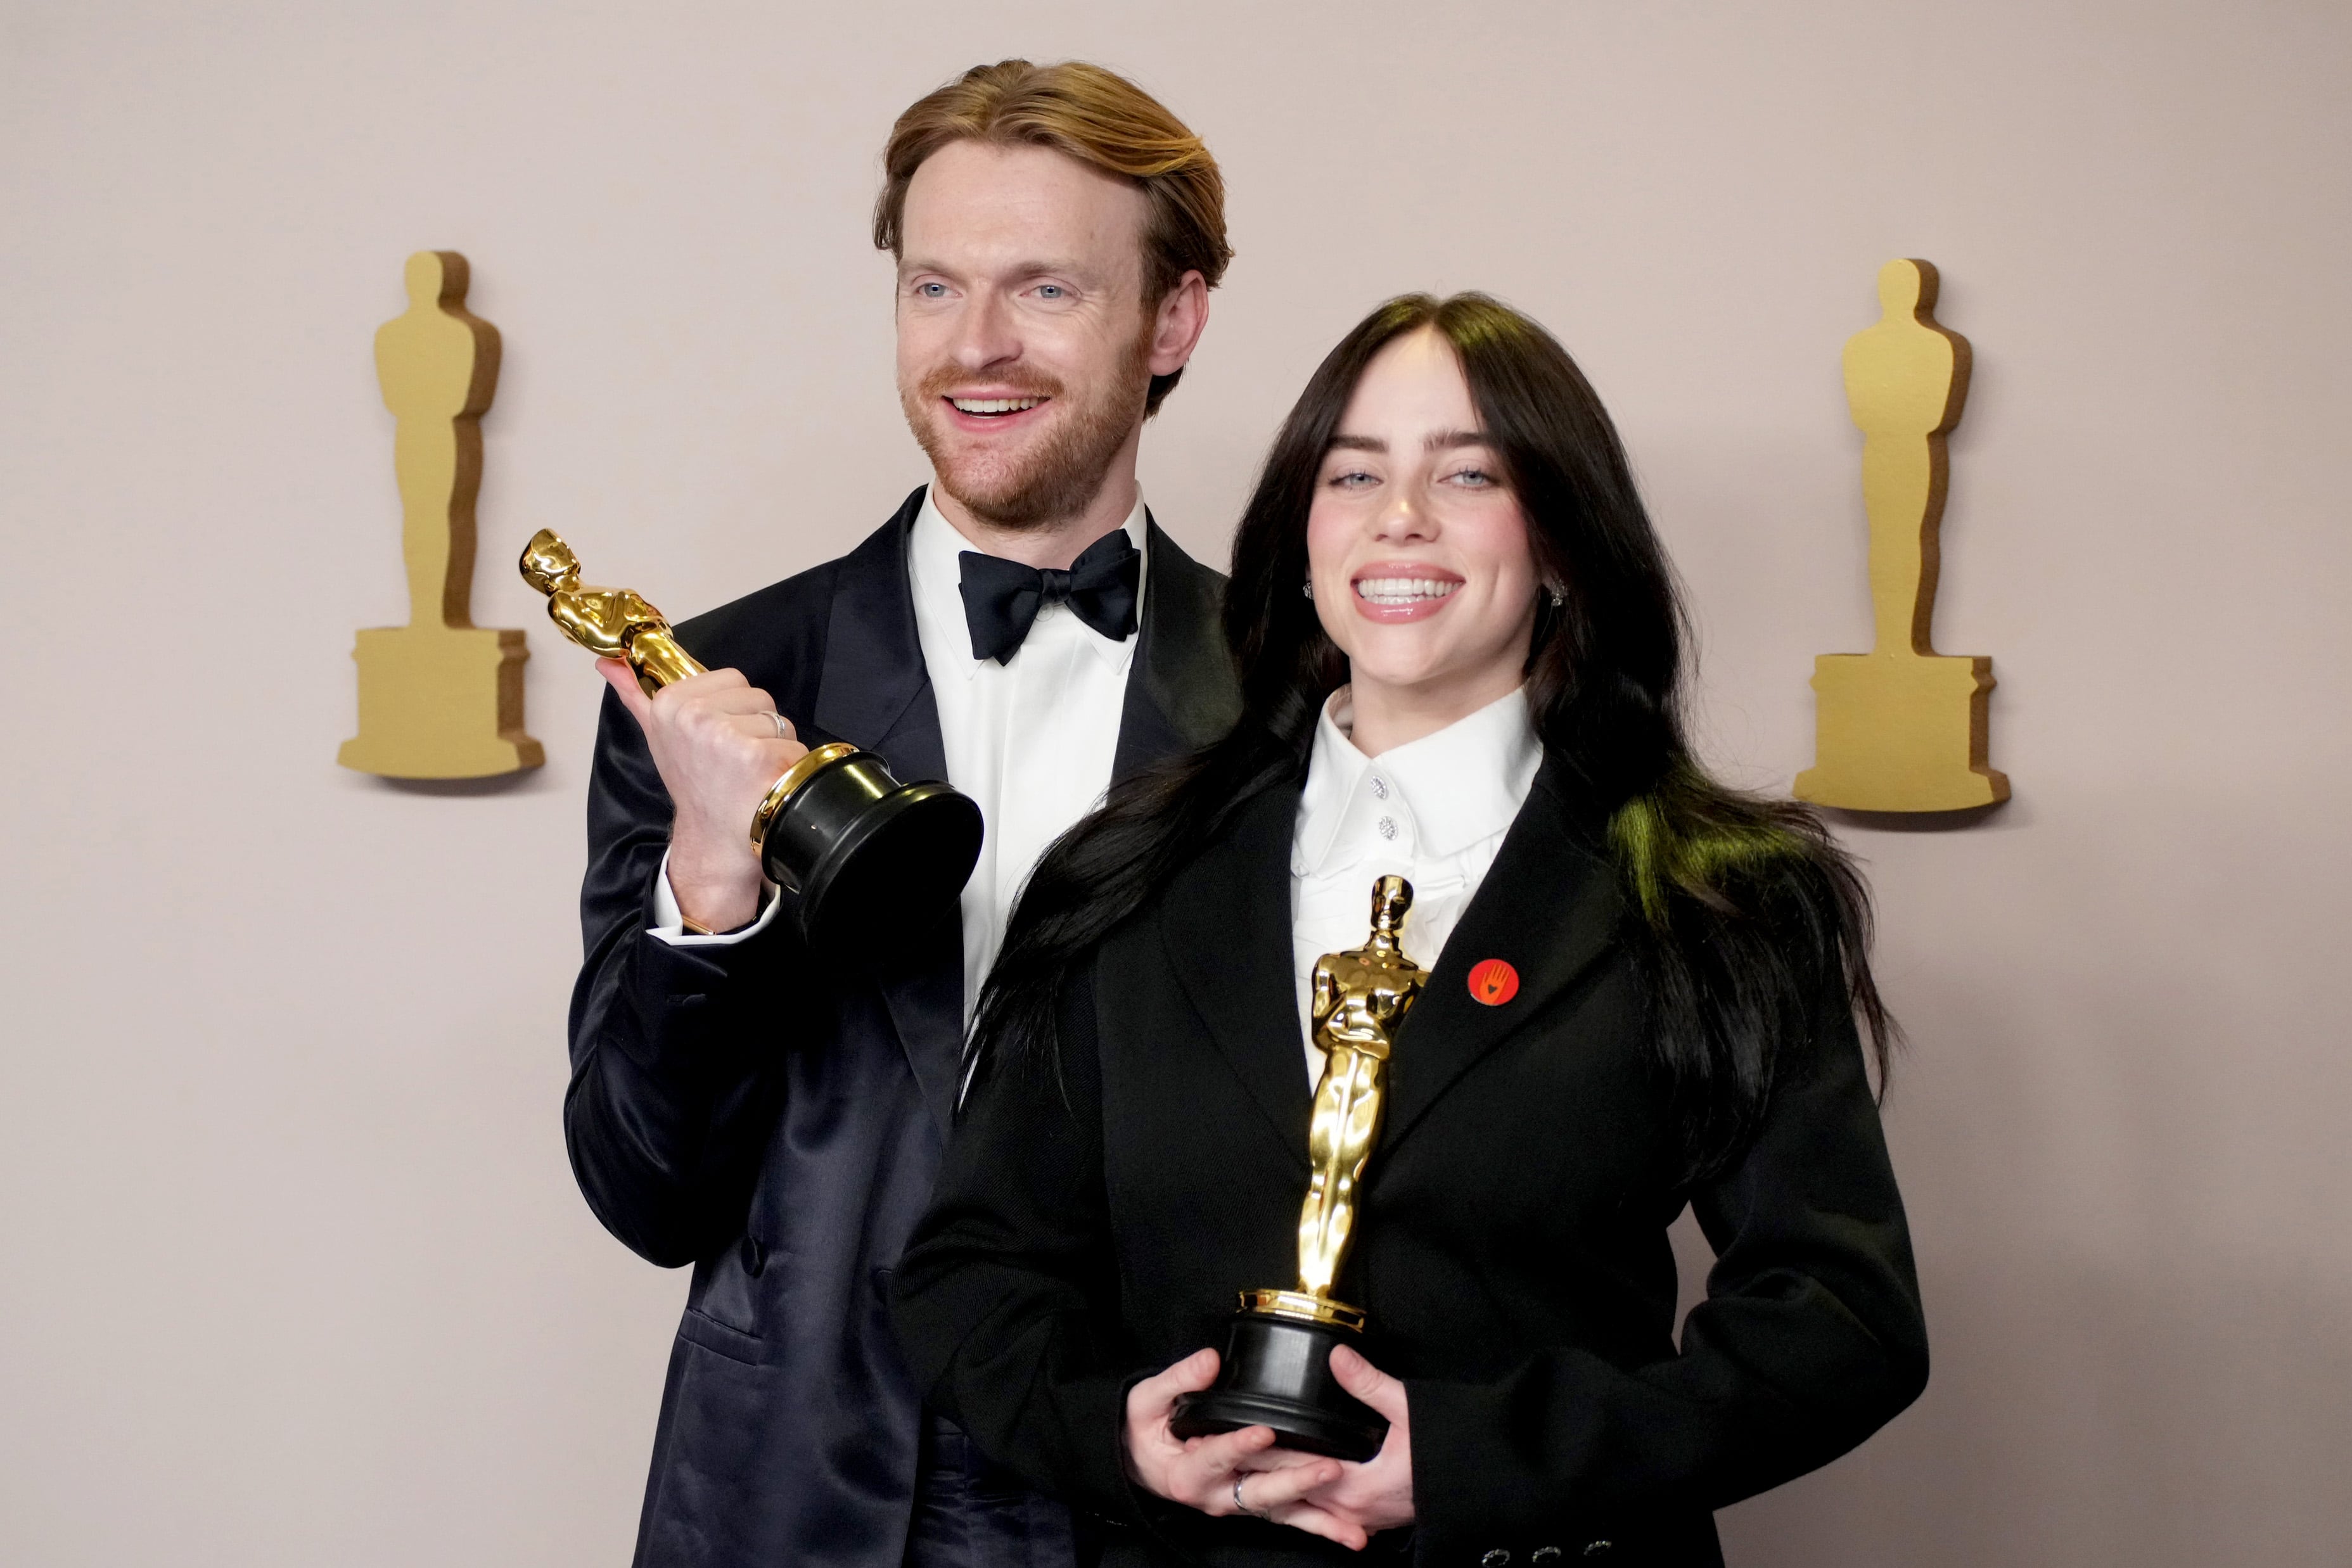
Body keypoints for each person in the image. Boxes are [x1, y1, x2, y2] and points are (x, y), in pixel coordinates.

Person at [892, 293, 1929, 1566]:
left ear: (1561, 542)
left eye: (1468, 473)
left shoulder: (1721, 896)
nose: (1400, 516)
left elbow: (1839, 1318)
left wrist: (1481, 1459)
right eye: (1354, 474)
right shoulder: (1128, 872)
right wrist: (1118, 1434)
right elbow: (972, 1271)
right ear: (1303, 535)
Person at [563, 61, 1240, 1568]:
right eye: (933, 286)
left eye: (1045, 288)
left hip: (1171, 1487)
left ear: (1171, 319)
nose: (973, 345)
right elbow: (644, 1190)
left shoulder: (1308, 694)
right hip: (802, 1490)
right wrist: (711, 882)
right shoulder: (718, 684)